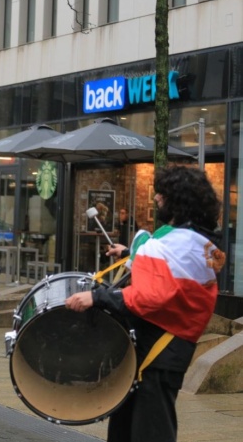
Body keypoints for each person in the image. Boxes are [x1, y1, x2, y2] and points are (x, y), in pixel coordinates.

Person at [65, 166, 225, 442]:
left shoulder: (173, 245)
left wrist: (97, 297)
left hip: (158, 352)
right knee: (134, 426)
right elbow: (171, 280)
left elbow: (150, 296)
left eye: (162, 194)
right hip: (167, 350)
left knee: (148, 431)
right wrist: (130, 252)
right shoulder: (197, 244)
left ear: (178, 200)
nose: (157, 198)